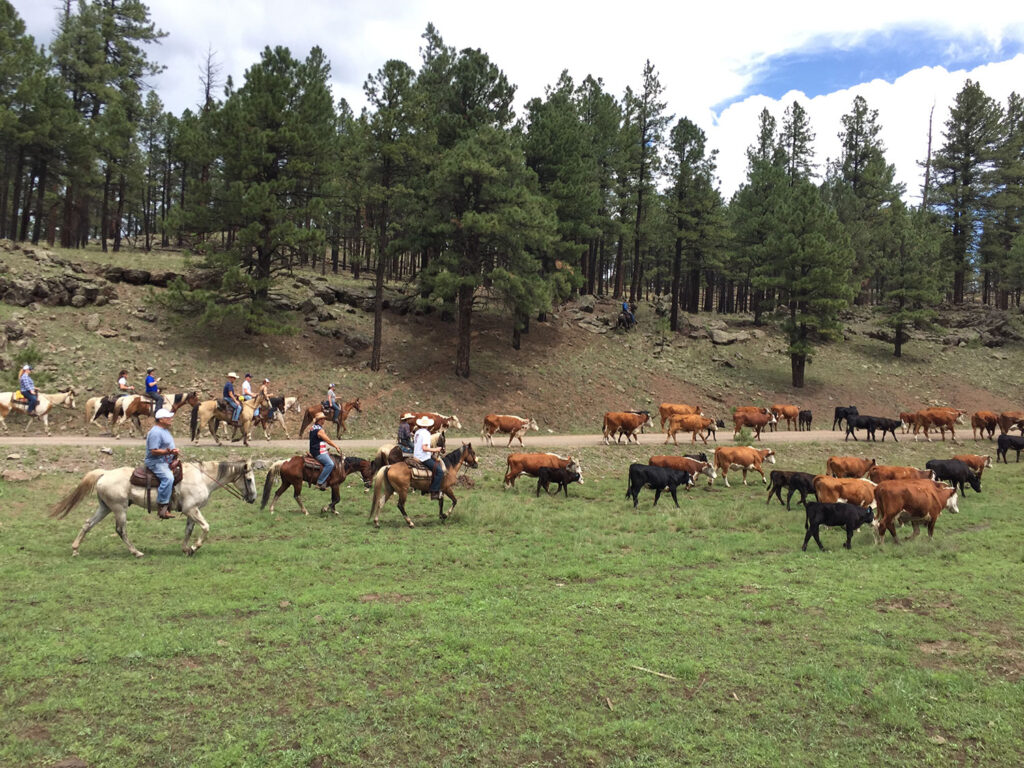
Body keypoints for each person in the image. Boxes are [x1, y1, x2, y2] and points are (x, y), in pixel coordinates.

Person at [145, 408, 179, 519]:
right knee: (168, 478)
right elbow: (153, 450)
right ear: (161, 420)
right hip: (156, 462)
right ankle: (162, 506)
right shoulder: (155, 432)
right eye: (167, 418)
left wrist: (173, 451)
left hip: (166, 460)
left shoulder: (165, 430)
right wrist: (168, 452)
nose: (170, 419)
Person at [308, 411, 342, 491]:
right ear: (320, 420)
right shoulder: (319, 430)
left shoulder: (313, 427)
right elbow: (328, 440)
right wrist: (336, 446)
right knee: (330, 464)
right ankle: (320, 482)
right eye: (323, 419)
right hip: (318, 452)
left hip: (315, 449)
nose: (324, 420)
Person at [413, 415, 444, 500]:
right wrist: (436, 449)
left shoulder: (417, 432)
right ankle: (434, 491)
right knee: (440, 472)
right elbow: (424, 448)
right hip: (423, 457)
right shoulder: (426, 433)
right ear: (428, 425)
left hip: (416, 455)